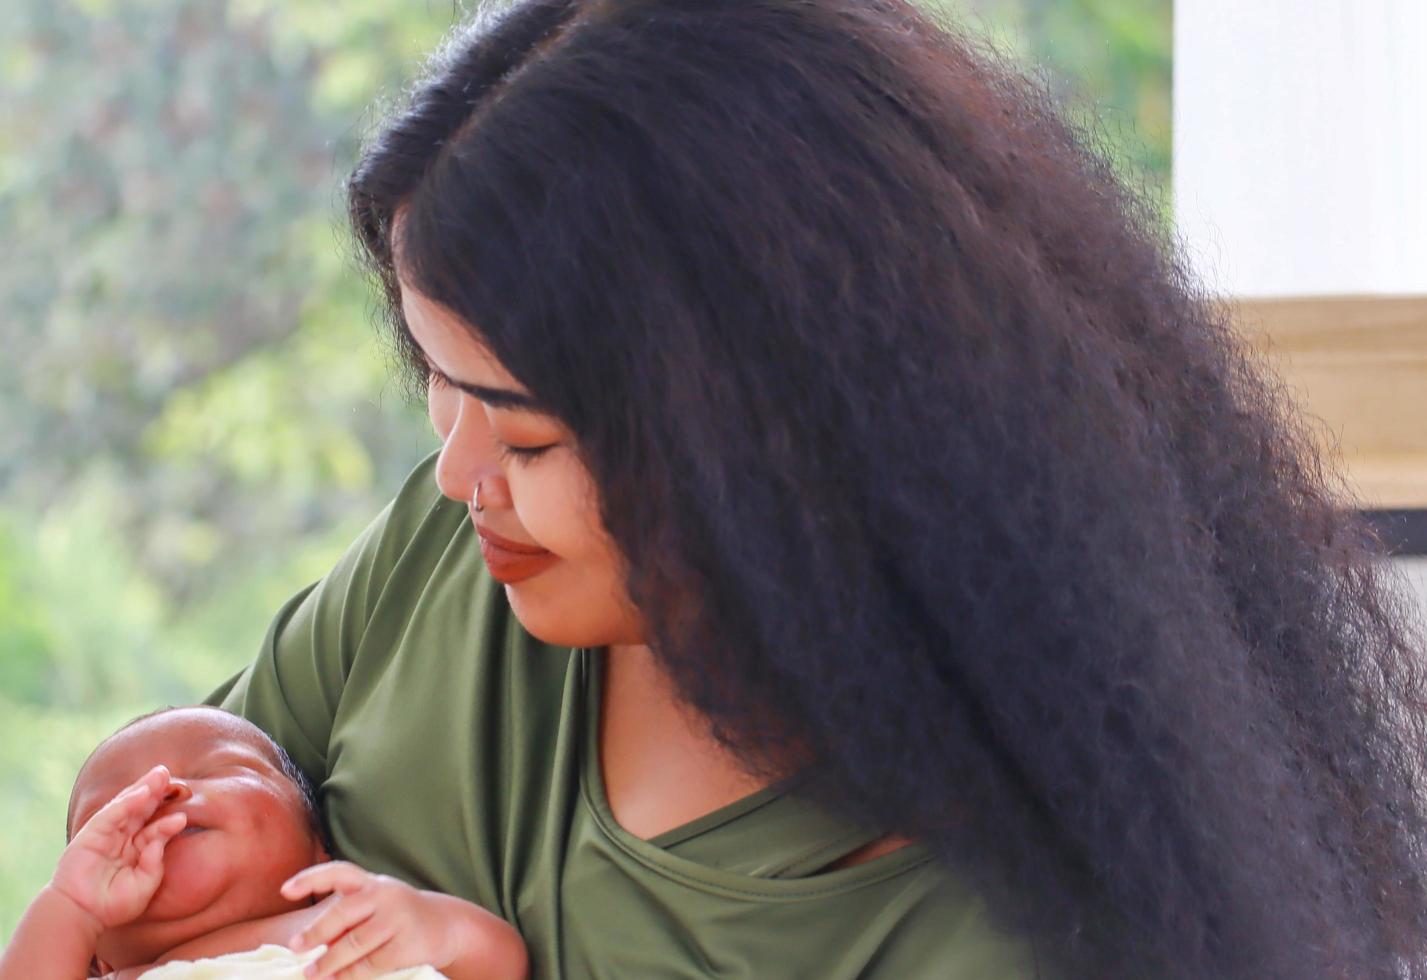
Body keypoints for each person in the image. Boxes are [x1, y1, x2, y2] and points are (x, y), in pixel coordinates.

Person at [209, 0, 1427, 976]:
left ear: (762, 446)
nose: (456, 472)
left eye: (526, 437)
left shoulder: (1010, 921)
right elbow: (138, 861)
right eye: (437, 377)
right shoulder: (462, 557)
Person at [0, 707, 527, 980]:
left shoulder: (353, 934)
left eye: (218, 765)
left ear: (320, 850)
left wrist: (440, 930)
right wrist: (69, 908)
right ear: (93, 957)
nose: (159, 791)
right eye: (110, 809)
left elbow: (500, 966)